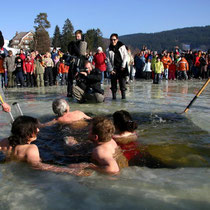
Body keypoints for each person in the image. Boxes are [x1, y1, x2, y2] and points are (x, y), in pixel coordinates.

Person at [0, 115, 89, 176]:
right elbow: (39, 166)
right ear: (27, 134)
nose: (38, 130)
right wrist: (70, 171)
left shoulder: (4, 141)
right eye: (35, 129)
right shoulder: (30, 149)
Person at [106, 33, 128, 99]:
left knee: (122, 86)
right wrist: (110, 69)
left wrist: (123, 66)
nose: (113, 41)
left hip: (122, 68)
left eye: (114, 39)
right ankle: (114, 99)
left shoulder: (122, 46)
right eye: (111, 40)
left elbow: (125, 56)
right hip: (114, 68)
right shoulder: (108, 49)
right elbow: (108, 60)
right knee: (113, 87)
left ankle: (123, 100)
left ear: (117, 39)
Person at [67, 29, 87, 97]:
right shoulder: (73, 43)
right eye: (76, 36)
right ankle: (69, 92)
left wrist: (74, 45)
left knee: (79, 78)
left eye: (78, 36)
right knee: (70, 79)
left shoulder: (82, 43)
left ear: (81, 36)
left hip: (80, 63)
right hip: (73, 62)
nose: (77, 37)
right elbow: (70, 51)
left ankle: (80, 92)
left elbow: (80, 53)